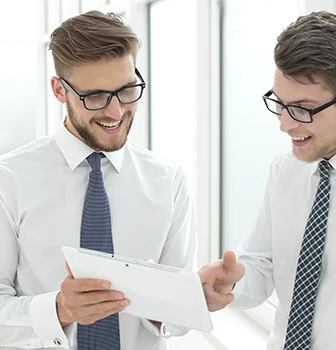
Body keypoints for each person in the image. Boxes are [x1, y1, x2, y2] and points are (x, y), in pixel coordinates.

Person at [0, 10, 197, 350]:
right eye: (95, 97)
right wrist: (58, 310)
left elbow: (179, 321)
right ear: (59, 91)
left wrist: (178, 299)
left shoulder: (168, 180)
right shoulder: (10, 179)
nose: (116, 112)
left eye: (127, 90)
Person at [199, 11, 336, 350]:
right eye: (280, 104)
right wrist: (234, 281)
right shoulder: (286, 170)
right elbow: (263, 267)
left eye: (302, 109)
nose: (284, 125)